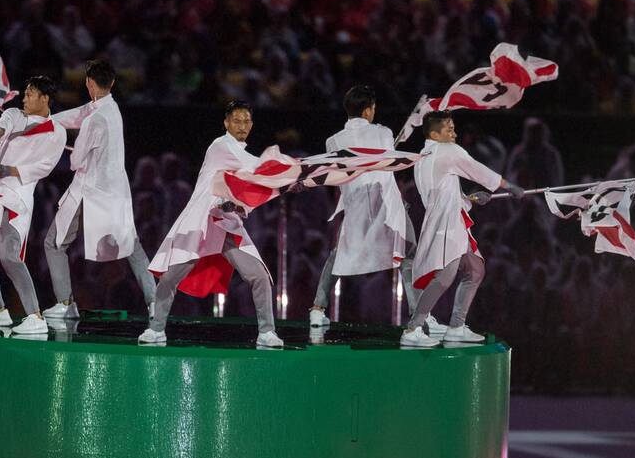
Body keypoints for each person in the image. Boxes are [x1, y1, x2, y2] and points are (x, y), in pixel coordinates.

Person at [142, 100, 283, 348]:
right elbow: (257, 168)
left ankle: (267, 333)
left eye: (246, 121)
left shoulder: (238, 154)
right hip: (200, 223)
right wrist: (291, 170)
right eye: (236, 120)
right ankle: (156, 330)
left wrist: (242, 205)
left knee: (259, 275)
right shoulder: (221, 145)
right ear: (226, 123)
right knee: (170, 277)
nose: (241, 125)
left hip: (225, 224)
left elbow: (246, 188)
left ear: (251, 125)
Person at [307, 85, 445, 337]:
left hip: (356, 203)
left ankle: (317, 309)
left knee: (339, 254)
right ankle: (420, 316)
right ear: (369, 110)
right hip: (385, 203)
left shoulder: (333, 140)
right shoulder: (383, 132)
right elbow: (390, 162)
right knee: (410, 255)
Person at [43, 60, 156, 318]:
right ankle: (155, 303)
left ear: (88, 83)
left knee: (54, 244)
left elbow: (75, 162)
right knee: (132, 246)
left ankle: (65, 304)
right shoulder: (110, 108)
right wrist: (46, 123)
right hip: (114, 193)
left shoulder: (95, 119)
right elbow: (77, 114)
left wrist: (64, 143)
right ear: (112, 83)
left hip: (89, 192)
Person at [401, 111, 524, 347]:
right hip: (446, 224)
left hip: (449, 219)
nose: (454, 133)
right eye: (449, 129)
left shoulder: (423, 155)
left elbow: (443, 190)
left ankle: (456, 327)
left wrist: (470, 199)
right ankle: (413, 329)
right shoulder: (448, 150)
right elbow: (476, 169)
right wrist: (509, 185)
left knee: (475, 270)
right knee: (445, 277)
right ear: (435, 134)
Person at [0, 76, 67, 335]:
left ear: (45, 98)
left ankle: (35, 316)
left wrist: (11, 169)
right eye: (25, 94)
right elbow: (4, 123)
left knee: (9, 255)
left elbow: (44, 167)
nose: (25, 98)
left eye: (30, 94)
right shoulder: (15, 114)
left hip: (17, 194)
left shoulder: (57, 131)